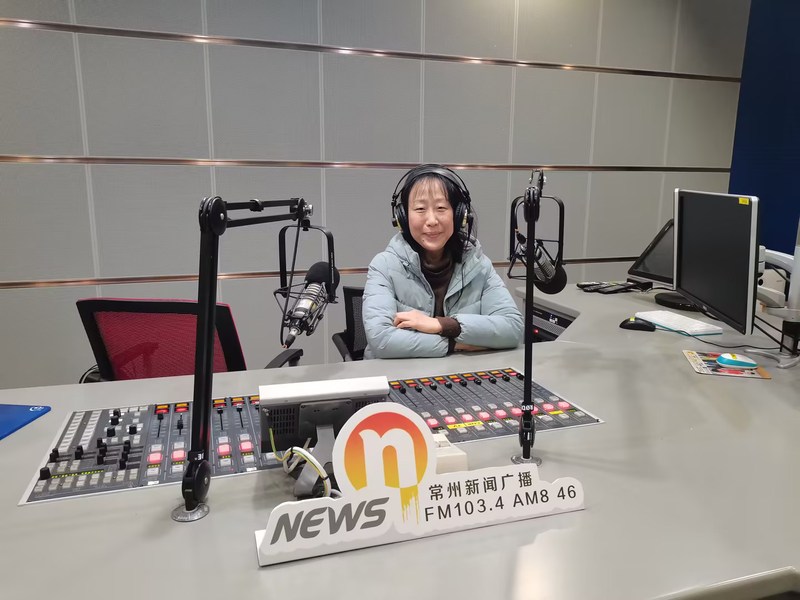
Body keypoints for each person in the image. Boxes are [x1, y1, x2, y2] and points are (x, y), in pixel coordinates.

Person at [362, 165, 523, 359]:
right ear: (402, 218)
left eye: (441, 208)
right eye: (420, 209)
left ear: (459, 215)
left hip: (460, 373)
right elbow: (381, 340)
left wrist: (443, 325)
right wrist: (455, 344)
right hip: (398, 374)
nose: (432, 220)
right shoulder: (384, 266)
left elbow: (513, 328)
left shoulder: (479, 265)